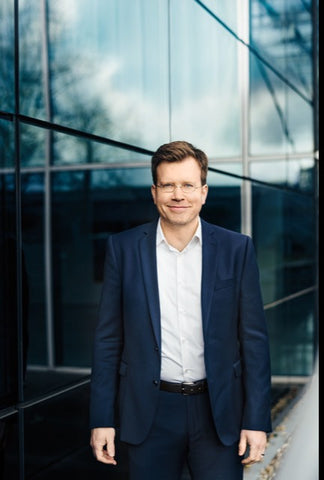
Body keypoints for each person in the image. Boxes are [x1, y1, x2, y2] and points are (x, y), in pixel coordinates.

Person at [89, 140, 272, 480]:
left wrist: (256, 420)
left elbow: (255, 342)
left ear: (203, 192)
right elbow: (107, 340)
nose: (178, 195)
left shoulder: (237, 249)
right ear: (154, 192)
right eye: (168, 185)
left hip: (219, 412)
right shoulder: (123, 249)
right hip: (150, 411)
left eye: (187, 185)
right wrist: (102, 418)